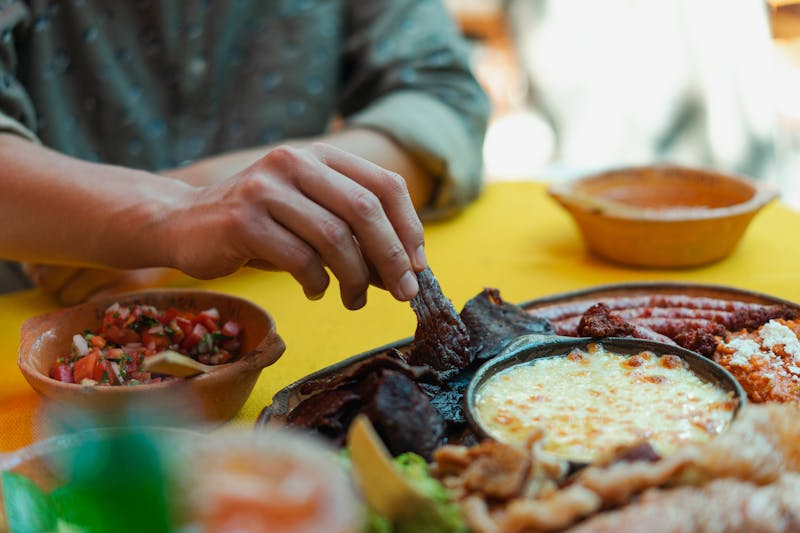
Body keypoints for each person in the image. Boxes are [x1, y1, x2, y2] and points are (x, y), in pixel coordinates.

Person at [0, 0, 490, 308]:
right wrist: (169, 214)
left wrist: (192, 203)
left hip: (284, 308)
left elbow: (443, 97)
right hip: (34, 309)